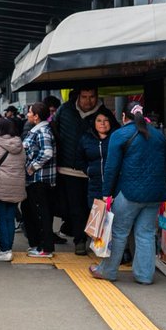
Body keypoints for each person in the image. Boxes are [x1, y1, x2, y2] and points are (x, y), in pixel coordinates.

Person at [91, 103, 166, 285]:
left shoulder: (120, 135)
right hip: (155, 194)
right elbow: (165, 163)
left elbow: (111, 167)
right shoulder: (158, 135)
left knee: (119, 232)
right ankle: (144, 276)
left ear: (124, 116)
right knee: (146, 233)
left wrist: (106, 193)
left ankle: (107, 271)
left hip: (129, 193)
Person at [54, 87, 107, 255]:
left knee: (97, 207)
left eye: (92, 97)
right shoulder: (65, 110)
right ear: (78, 97)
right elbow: (54, 131)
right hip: (70, 169)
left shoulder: (104, 113)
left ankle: (97, 240)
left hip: (96, 170)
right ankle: (80, 240)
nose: (88, 101)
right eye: (84, 97)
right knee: (75, 208)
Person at [0, 118, 27, 262]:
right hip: (17, 185)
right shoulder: (20, 144)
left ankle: (5, 250)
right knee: (10, 218)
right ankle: (8, 248)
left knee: (1, 219)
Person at [22, 102, 57, 258]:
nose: (28, 114)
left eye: (30, 112)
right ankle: (40, 245)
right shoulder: (38, 129)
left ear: (36, 116)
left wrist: (31, 167)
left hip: (39, 180)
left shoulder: (42, 131)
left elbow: (47, 153)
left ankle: (45, 248)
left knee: (42, 214)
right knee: (36, 212)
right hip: (36, 180)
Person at [80, 112, 114, 206]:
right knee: (97, 217)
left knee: (116, 218)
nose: (102, 123)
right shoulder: (86, 139)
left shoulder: (116, 137)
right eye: (99, 120)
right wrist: (88, 170)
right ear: (94, 123)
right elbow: (79, 159)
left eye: (106, 120)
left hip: (114, 186)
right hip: (94, 186)